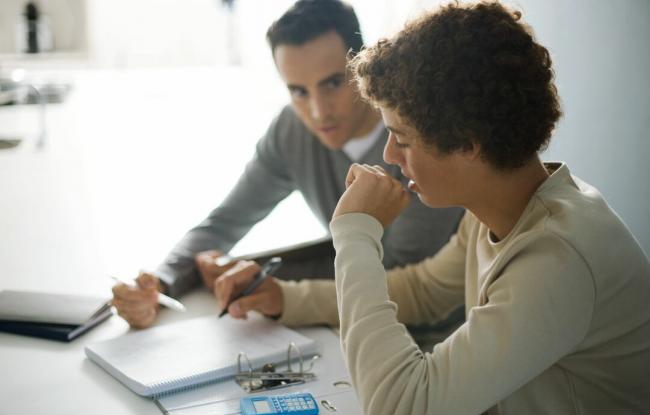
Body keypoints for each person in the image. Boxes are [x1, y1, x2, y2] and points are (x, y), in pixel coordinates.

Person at [216, 2, 650, 415]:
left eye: (401, 139)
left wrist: (355, 235)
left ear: (468, 143)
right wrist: (287, 298)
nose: (388, 155)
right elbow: (423, 289)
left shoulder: (559, 259)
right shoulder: (499, 211)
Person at [111, 0, 463, 329]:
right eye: (298, 91)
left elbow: (401, 275)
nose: (318, 112)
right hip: (345, 318)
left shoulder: (418, 141)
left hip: (437, 331)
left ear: (364, 64)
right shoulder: (292, 129)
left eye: (333, 83)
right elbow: (224, 222)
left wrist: (258, 276)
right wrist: (159, 282)